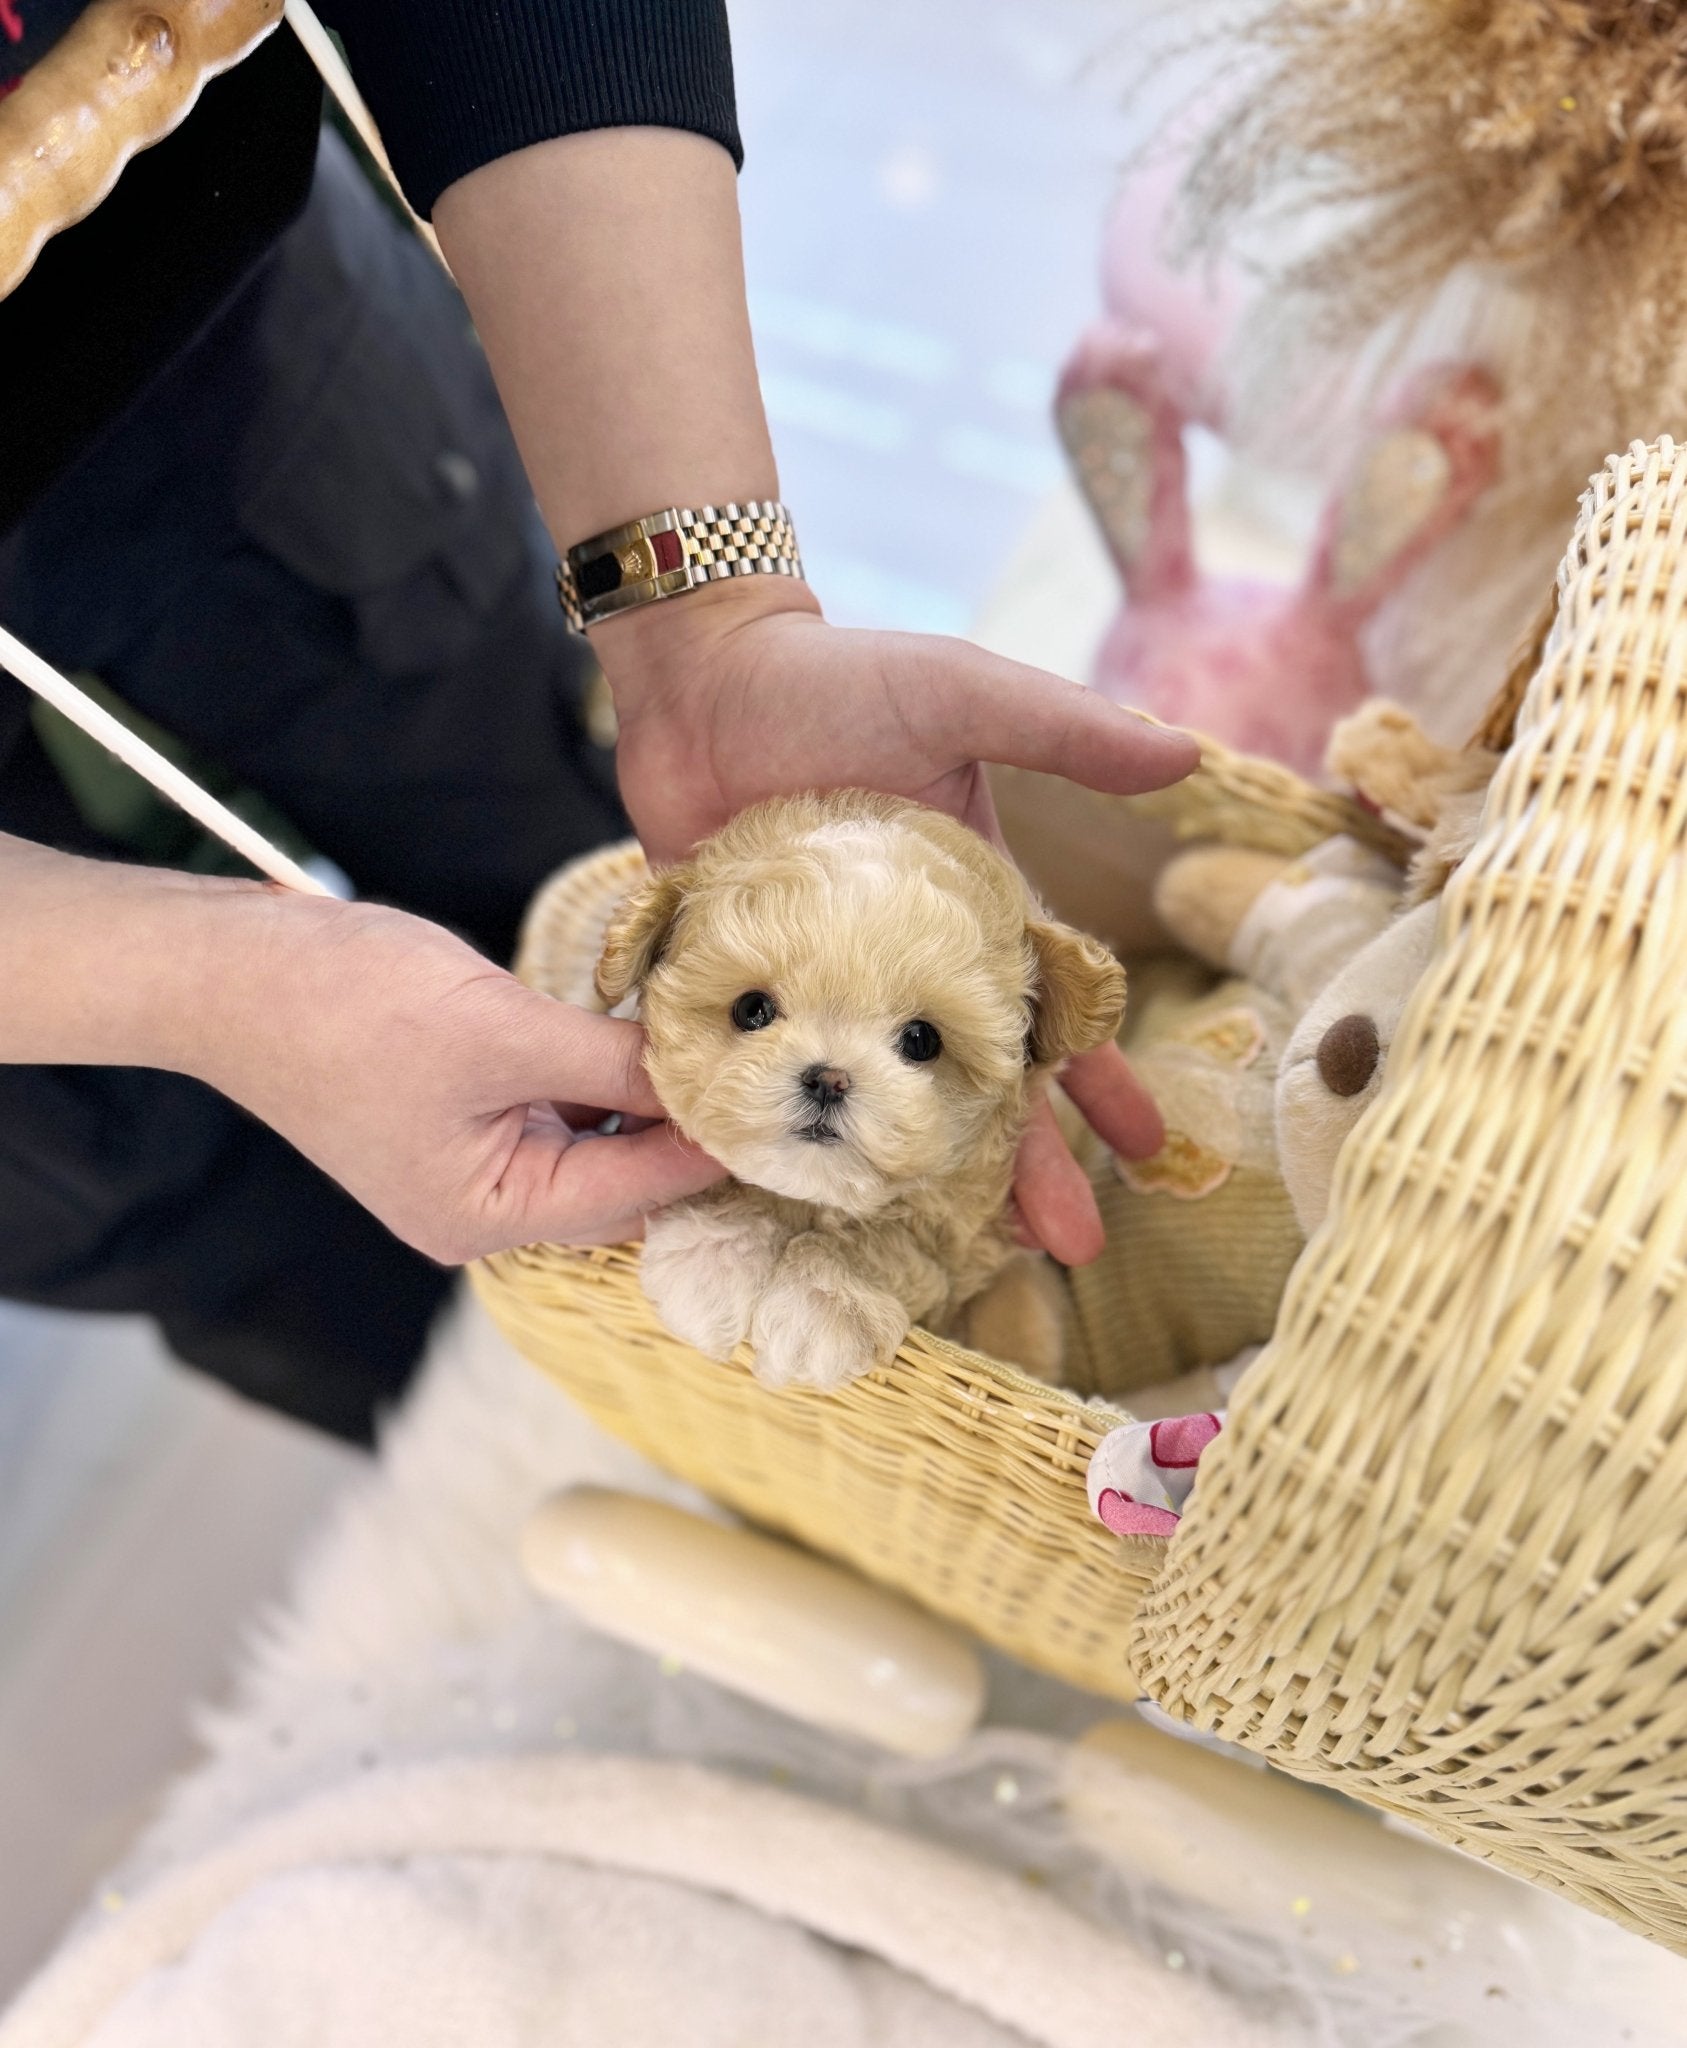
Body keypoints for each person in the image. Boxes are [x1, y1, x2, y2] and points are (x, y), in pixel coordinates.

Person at [0, 1, 1197, 1440]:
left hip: (186, 270)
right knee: (162, 1189)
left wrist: (709, 627)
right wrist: (210, 991)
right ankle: (555, 1434)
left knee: (499, 760)